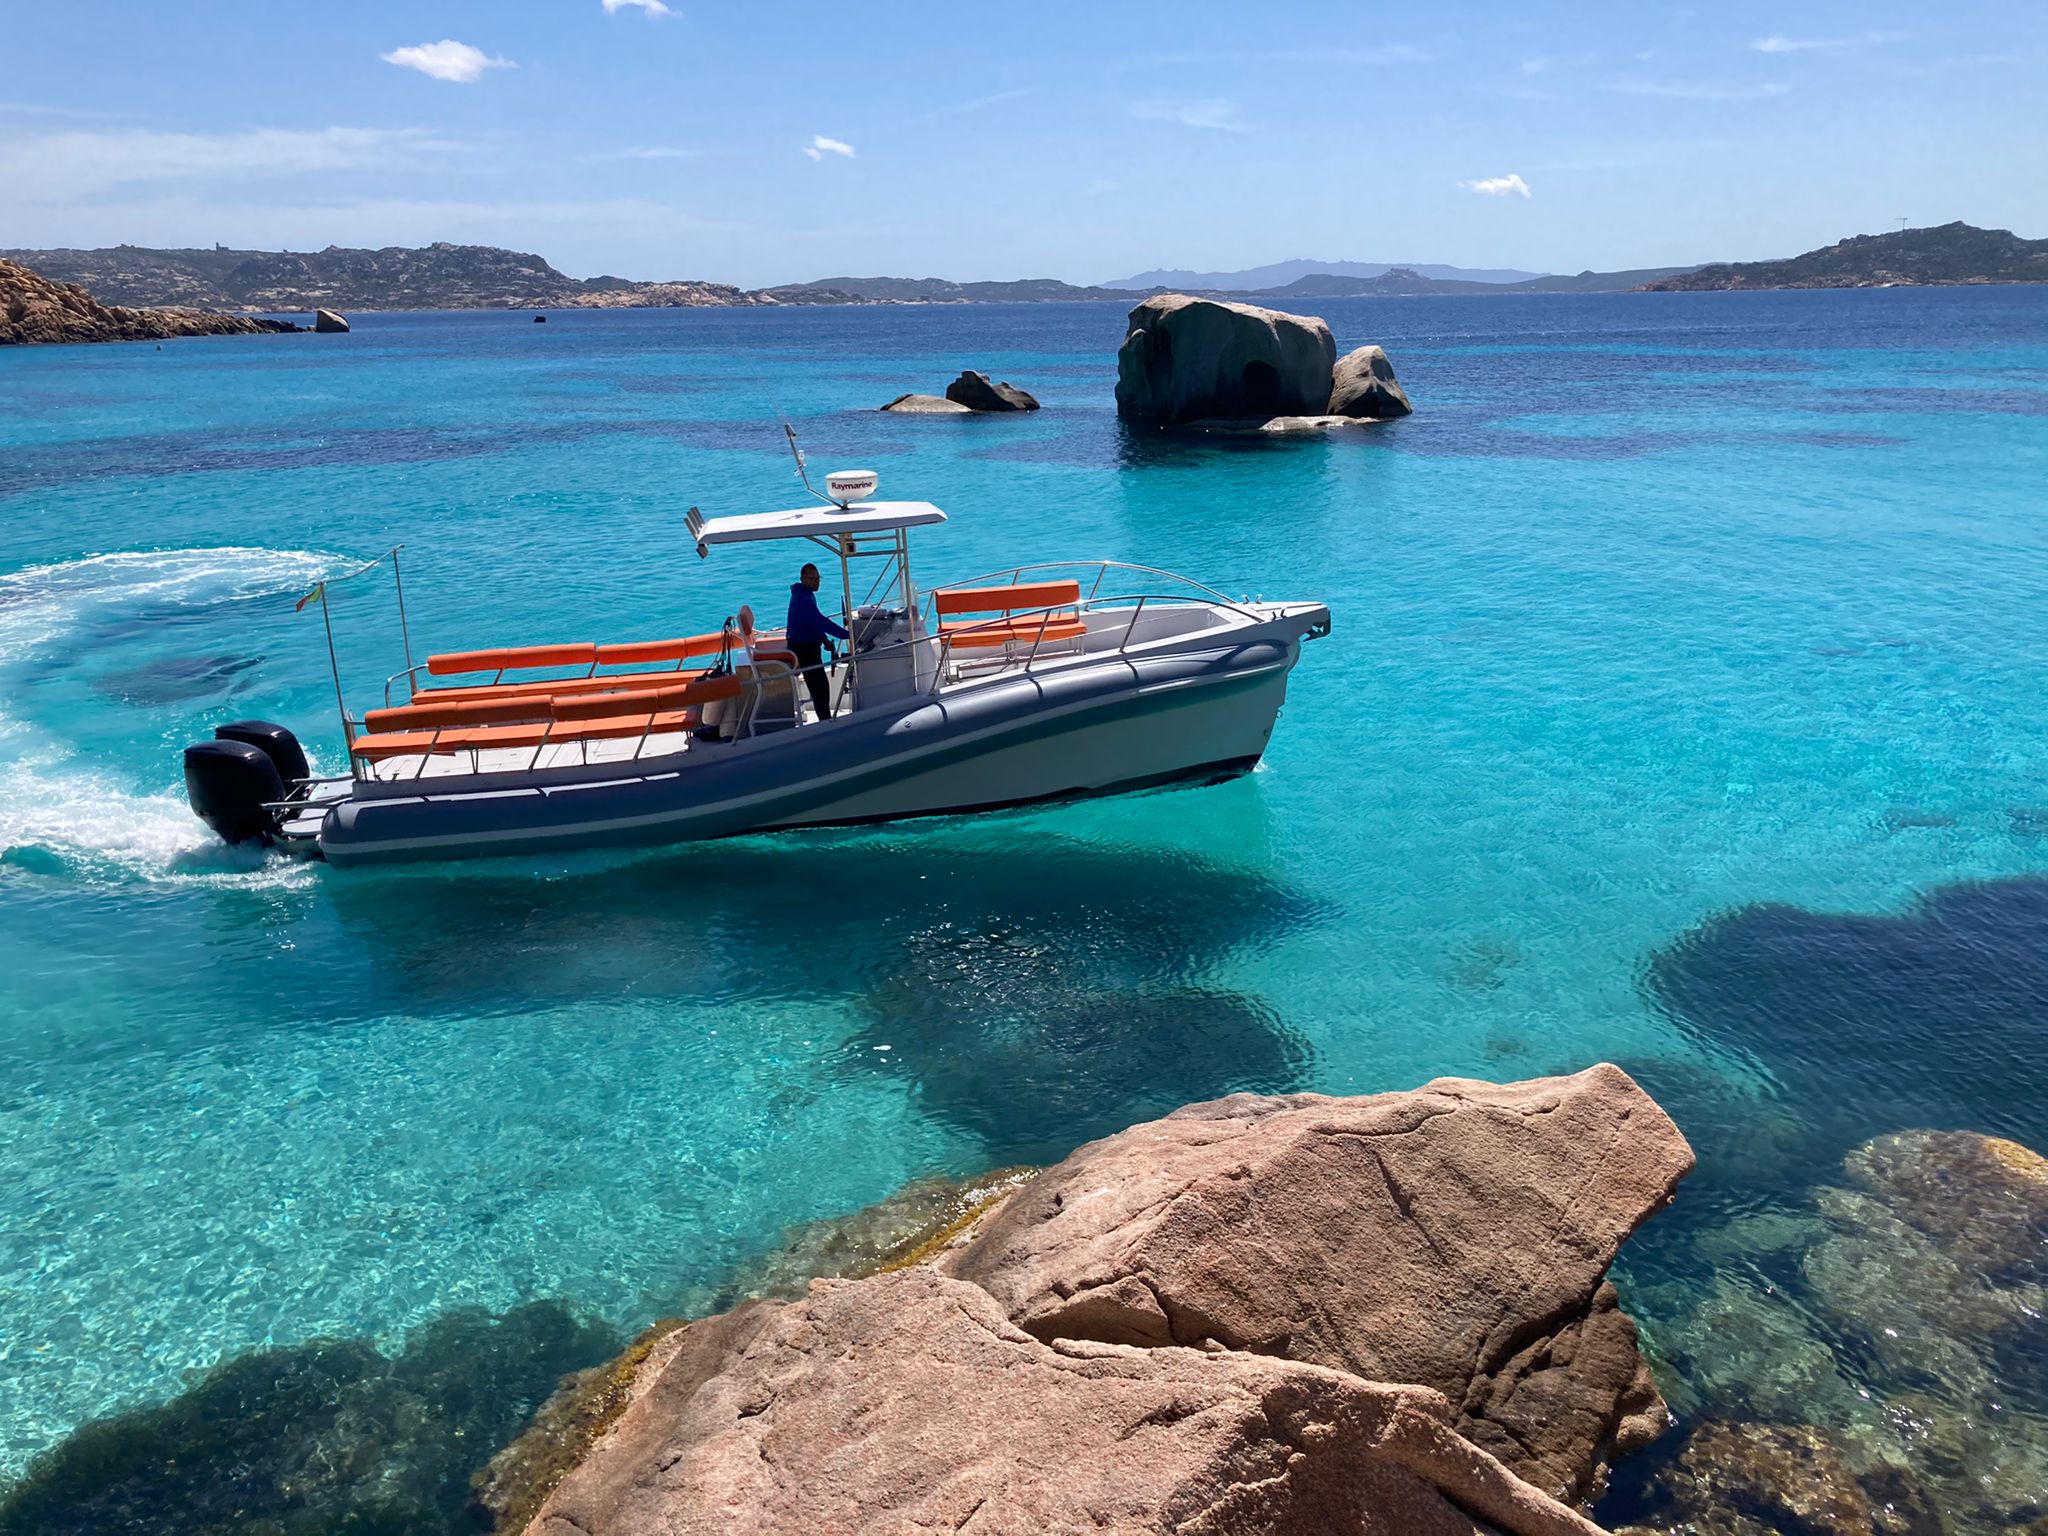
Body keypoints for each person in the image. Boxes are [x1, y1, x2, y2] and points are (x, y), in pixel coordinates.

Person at [785, 563, 849, 721]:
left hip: (809, 645)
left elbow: (814, 621)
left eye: (818, 578)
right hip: (803, 649)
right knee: (820, 688)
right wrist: (846, 635)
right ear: (803, 579)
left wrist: (824, 639)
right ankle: (825, 722)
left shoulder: (806, 594)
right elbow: (820, 621)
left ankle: (825, 719)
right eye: (812, 579)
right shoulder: (802, 599)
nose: (816, 582)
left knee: (821, 686)